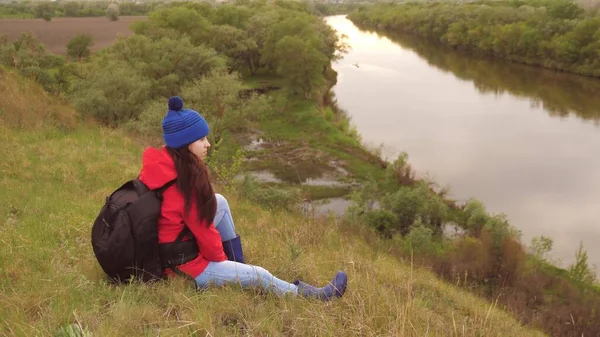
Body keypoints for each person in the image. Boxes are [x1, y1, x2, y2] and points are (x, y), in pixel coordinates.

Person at [138, 96, 348, 300]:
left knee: (219, 201)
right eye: (201, 139)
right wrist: (224, 267)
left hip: (168, 250)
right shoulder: (186, 184)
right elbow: (205, 235)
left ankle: (238, 264)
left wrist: (235, 268)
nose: (208, 144)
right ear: (185, 145)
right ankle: (310, 296)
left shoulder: (165, 167)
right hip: (183, 268)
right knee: (260, 275)